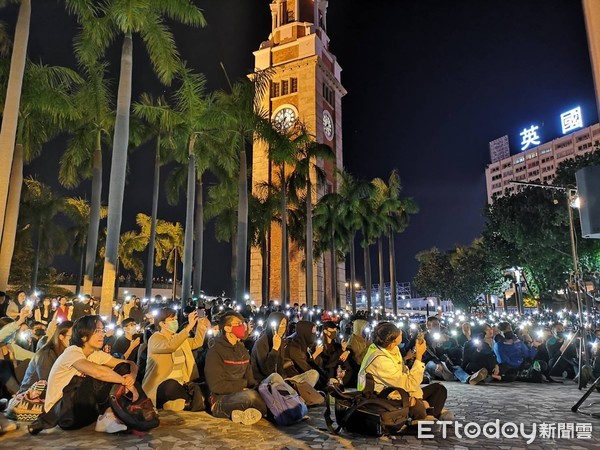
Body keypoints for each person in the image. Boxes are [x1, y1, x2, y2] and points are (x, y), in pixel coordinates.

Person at [29, 315, 140, 434]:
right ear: (83, 336)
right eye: (97, 331)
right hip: (64, 413)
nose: (102, 334)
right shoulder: (72, 352)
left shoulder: (95, 353)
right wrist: (126, 382)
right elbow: (98, 373)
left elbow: (129, 363)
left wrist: (131, 377)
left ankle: (108, 417)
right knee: (96, 376)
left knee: (121, 368)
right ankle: (108, 416)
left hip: (84, 411)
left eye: (103, 330)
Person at [358, 322, 450, 420]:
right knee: (415, 404)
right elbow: (408, 384)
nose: (401, 332)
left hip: (400, 390)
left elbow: (406, 376)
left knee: (439, 389)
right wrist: (419, 357)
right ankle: (426, 416)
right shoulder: (380, 359)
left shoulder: (392, 349)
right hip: (383, 396)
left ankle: (428, 413)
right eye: (398, 332)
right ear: (392, 342)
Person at [205, 311, 267, 425]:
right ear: (227, 328)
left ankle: (244, 414)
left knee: (270, 385)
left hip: (241, 394)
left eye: (243, 323)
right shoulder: (215, 351)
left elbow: (250, 379)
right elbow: (216, 386)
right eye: (238, 324)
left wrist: (262, 387)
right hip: (221, 400)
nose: (242, 327)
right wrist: (242, 387)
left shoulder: (242, 350)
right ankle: (274, 412)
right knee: (252, 396)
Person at [142, 308, 210, 411]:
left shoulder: (178, 338)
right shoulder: (155, 339)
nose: (175, 322)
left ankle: (185, 402)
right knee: (170, 385)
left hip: (182, 383)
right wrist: (188, 327)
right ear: (162, 324)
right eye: (172, 319)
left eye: (176, 319)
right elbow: (171, 346)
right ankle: (190, 400)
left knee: (204, 382)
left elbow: (197, 342)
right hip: (161, 386)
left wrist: (200, 325)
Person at [19, 321, 74, 392]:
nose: (76, 339)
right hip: (30, 395)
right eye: (72, 336)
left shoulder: (66, 352)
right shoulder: (46, 353)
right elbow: (46, 381)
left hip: (48, 392)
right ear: (61, 337)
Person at [284, 320, 327, 389]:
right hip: (290, 380)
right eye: (312, 332)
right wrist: (314, 355)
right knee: (314, 374)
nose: (314, 335)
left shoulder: (303, 345)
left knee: (319, 360)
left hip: (299, 375)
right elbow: (306, 368)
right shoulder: (293, 347)